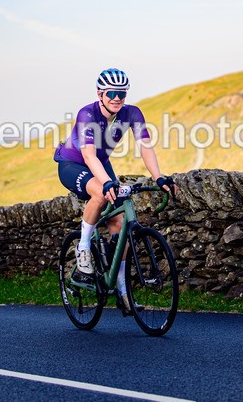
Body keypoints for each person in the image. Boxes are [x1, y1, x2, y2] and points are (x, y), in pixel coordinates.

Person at [54, 68, 176, 314]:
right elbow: (88, 155)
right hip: (73, 163)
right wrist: (107, 183)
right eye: (111, 93)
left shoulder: (132, 113)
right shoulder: (87, 114)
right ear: (100, 93)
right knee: (101, 193)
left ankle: (123, 292)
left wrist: (159, 177)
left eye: (122, 93)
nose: (117, 98)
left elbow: (145, 146)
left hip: (101, 163)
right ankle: (84, 249)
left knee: (120, 225)